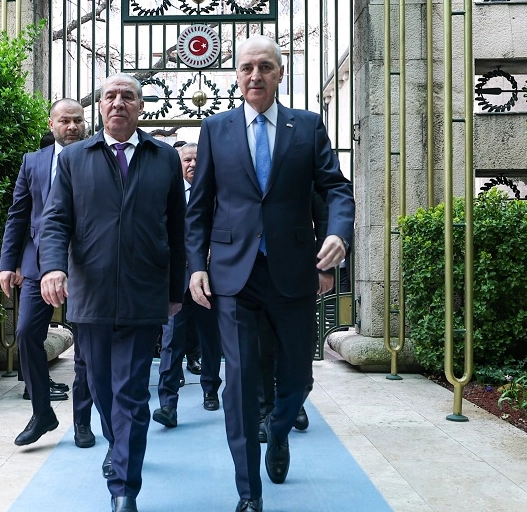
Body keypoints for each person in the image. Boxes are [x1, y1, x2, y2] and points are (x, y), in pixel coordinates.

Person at [185, 35, 355, 512]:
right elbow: (199, 207)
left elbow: (336, 189)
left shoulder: (308, 126)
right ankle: (249, 493)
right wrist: (195, 266)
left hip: (293, 271)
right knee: (240, 383)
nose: (255, 75)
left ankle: (278, 432)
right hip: (233, 276)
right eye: (246, 68)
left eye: (265, 67)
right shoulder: (215, 128)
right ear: (236, 76)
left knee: (298, 379)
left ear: (280, 74)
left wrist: (338, 233)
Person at [38, 73, 186, 512]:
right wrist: (53, 267)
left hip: (144, 294)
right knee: (102, 389)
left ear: (140, 106)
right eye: (110, 96)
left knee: (132, 394)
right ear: (100, 107)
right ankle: (116, 441)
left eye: (128, 96)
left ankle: (124, 488)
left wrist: (174, 289)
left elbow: (177, 230)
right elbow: (55, 220)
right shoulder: (74, 158)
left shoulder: (163, 157)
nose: (118, 102)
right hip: (92, 294)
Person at [0, 98, 97, 448]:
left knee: (87, 346)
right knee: (26, 333)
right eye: (65, 120)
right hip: (38, 263)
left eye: (78, 120)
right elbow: (18, 214)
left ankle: (83, 420)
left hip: (85, 264)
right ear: (51, 124)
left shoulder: (97, 157)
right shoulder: (33, 161)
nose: (72, 126)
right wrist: (8, 263)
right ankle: (42, 412)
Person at [153, 143, 222, 430]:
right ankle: (168, 403)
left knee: (210, 338)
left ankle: (210, 389)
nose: (192, 164)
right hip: (177, 280)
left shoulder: (216, 193)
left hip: (211, 278)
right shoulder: (169, 192)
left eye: (197, 159)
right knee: (171, 341)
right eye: (187, 159)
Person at [257, 192, 334, 441]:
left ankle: (291, 400)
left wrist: (324, 267)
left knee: (299, 345)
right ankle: (265, 411)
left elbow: (323, 216)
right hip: (251, 269)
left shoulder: (304, 166)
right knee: (260, 346)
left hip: (296, 268)